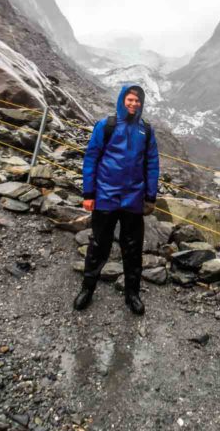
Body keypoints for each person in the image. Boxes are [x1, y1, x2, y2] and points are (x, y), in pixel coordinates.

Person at [74, 85, 159, 315]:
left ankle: (133, 294)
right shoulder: (107, 126)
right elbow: (91, 159)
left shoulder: (146, 131)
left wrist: (150, 197)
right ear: (123, 100)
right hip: (106, 196)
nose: (134, 104)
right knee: (99, 245)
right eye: (130, 99)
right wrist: (88, 194)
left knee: (133, 248)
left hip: (133, 199)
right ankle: (87, 289)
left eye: (138, 100)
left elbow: (152, 165)